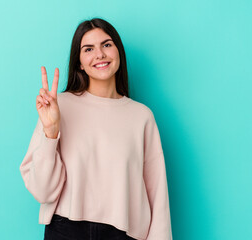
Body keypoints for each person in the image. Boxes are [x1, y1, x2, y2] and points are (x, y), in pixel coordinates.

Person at [19, 18, 173, 240]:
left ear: (118, 51)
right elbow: (42, 191)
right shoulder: (58, 106)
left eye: (107, 44)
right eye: (88, 49)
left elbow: (158, 198)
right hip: (66, 230)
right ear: (79, 62)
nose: (99, 54)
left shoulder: (142, 117)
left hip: (123, 234)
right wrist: (51, 131)